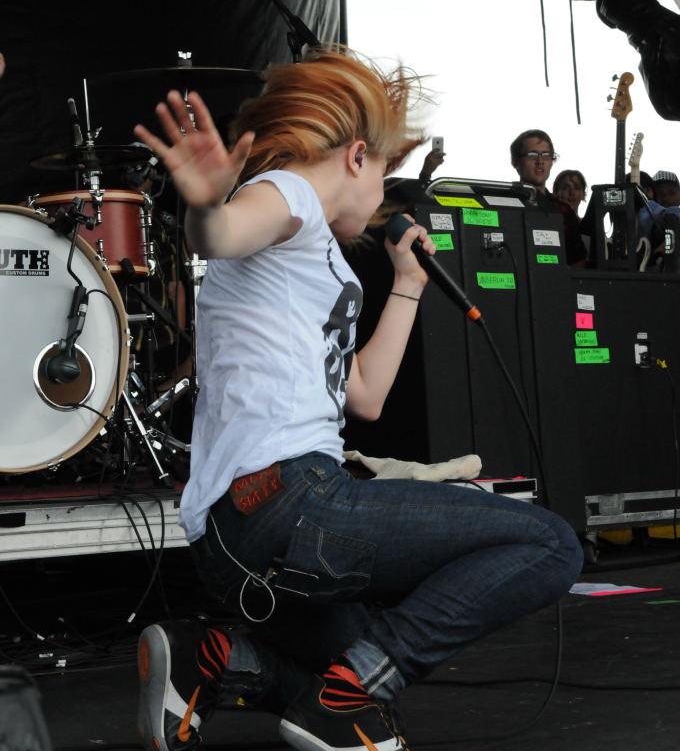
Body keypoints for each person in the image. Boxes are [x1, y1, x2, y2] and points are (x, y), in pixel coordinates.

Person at [134, 50, 583, 751]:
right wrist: (207, 207)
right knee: (550, 544)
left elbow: (366, 396)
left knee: (344, 668)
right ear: (355, 156)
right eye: (382, 174)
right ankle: (352, 697)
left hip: (236, 537)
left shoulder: (311, 265)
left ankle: (218, 659)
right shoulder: (288, 195)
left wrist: (407, 284)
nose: (382, 198)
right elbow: (222, 233)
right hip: (289, 501)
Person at [510, 129, 587, 268]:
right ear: (515, 162)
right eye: (532, 154)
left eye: (546, 155)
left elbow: (578, 263)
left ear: (551, 161)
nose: (540, 161)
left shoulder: (564, 211)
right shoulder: (501, 203)